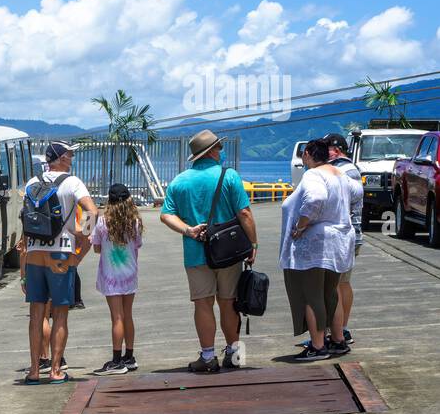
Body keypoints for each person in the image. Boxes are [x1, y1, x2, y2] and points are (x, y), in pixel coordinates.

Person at [159, 129, 258, 372]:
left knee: (203, 304)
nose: (221, 151)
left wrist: (188, 230)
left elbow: (165, 215)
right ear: (212, 151)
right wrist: (253, 244)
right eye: (219, 147)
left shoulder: (179, 181)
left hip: (196, 252)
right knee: (229, 302)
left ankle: (207, 357)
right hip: (229, 252)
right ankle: (234, 354)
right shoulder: (230, 176)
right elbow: (244, 213)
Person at [22, 141, 96, 384]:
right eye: (70, 154)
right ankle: (55, 370)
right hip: (60, 256)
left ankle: (34, 370)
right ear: (62, 158)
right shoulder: (72, 182)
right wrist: (84, 235)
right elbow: (92, 212)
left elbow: (27, 222)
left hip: (34, 253)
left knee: (36, 314)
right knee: (60, 314)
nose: (72, 158)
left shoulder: (32, 183)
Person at [280, 138, 355, 361]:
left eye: (304, 154)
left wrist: (303, 225)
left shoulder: (313, 174)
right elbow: (357, 194)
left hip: (317, 244)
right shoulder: (339, 172)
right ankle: (338, 340)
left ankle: (318, 345)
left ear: (309, 154)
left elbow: (315, 198)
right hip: (339, 240)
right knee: (329, 292)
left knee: (311, 295)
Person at [91, 183, 143, 375]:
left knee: (117, 317)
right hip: (129, 274)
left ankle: (116, 360)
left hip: (111, 276)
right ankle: (129, 356)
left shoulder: (103, 222)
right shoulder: (135, 223)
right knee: (127, 315)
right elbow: (137, 246)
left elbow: (96, 248)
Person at [324, 133, 362, 348]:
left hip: (343, 234)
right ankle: (342, 329)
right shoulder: (350, 169)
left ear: (336, 150)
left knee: (335, 285)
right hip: (352, 233)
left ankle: (337, 332)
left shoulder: (342, 170)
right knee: (343, 283)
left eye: (326, 148)